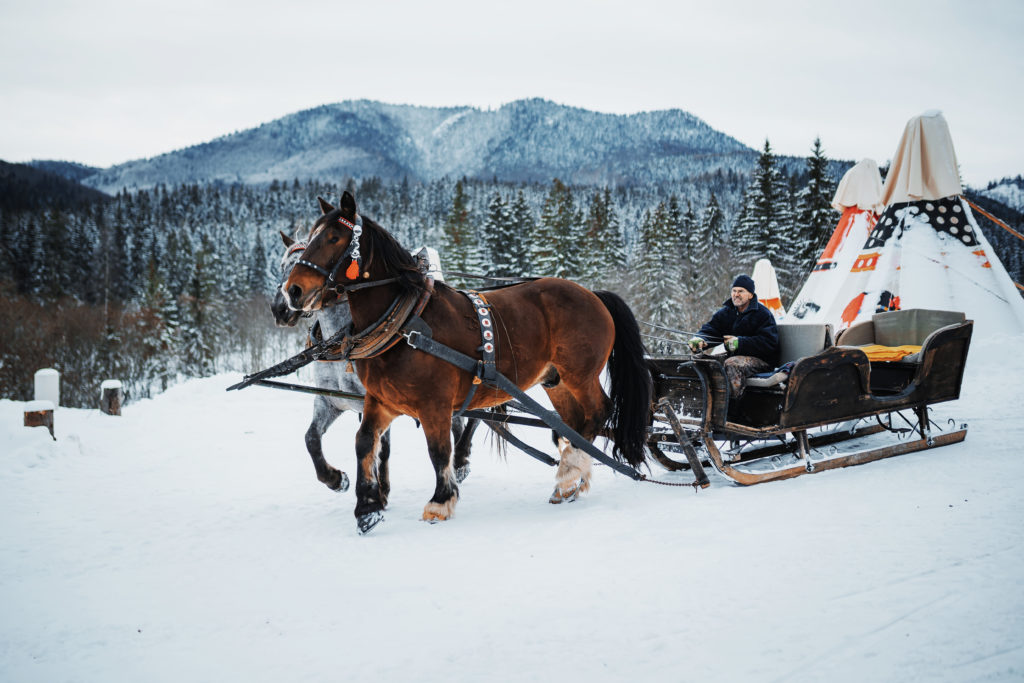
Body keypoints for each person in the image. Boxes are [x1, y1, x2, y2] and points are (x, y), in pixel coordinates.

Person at [688, 274, 780, 402]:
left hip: (763, 361)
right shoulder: (726, 312)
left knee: (732, 364)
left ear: (751, 295)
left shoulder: (763, 314)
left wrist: (740, 343)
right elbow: (712, 328)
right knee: (703, 361)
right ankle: (703, 404)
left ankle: (733, 410)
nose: (736, 294)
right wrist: (700, 339)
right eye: (734, 291)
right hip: (736, 357)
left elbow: (769, 343)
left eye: (741, 291)